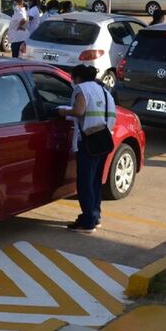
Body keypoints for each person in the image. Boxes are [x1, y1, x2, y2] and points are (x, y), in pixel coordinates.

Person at [57, 64, 115, 233]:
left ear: (77, 78)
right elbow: (112, 115)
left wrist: (62, 112)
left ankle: (87, 222)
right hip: (104, 139)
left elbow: (79, 110)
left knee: (85, 182)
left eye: (72, 78)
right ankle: (95, 216)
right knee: (96, 181)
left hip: (88, 142)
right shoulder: (104, 91)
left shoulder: (81, 89)